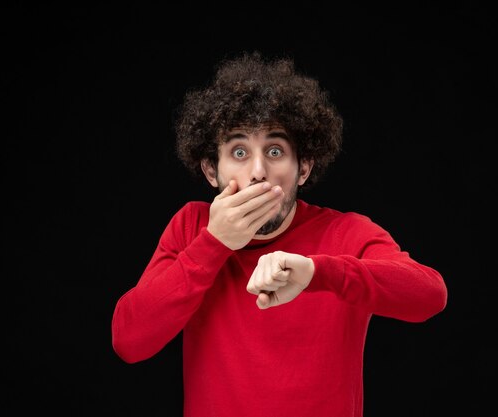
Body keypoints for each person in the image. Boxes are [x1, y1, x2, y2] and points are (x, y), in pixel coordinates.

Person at [111, 51, 448, 417]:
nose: (258, 171)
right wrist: (213, 243)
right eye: (239, 151)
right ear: (212, 171)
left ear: (302, 168)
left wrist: (316, 273)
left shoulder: (346, 232)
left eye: (275, 150)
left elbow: (429, 295)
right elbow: (129, 341)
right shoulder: (192, 227)